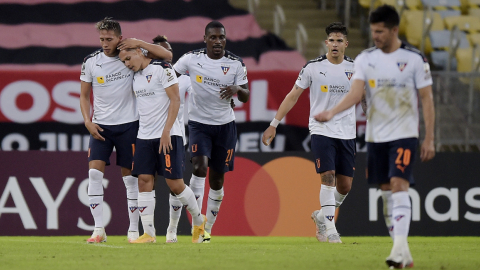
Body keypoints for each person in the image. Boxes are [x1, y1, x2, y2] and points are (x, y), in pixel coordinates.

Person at [315, 5, 435, 268]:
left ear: (394, 30)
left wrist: (429, 138)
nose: (376, 36)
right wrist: (332, 112)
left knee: (398, 184)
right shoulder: (366, 59)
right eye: (373, 31)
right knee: (385, 192)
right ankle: (402, 253)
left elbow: (426, 98)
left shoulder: (415, 59)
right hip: (376, 137)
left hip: (404, 134)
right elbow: (356, 94)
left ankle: (399, 250)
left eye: (380, 32)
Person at [262, 22, 358, 244]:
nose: (335, 44)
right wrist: (274, 123)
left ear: (346, 43)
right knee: (328, 178)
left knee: (345, 186)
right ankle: (331, 229)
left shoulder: (355, 69)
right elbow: (293, 95)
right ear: (326, 43)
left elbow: (363, 98)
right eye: (331, 40)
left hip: (346, 132)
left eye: (339, 40)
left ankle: (321, 216)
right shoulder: (313, 67)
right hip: (321, 130)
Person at [79, 17, 172, 243]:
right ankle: (98, 229)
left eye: (109, 39)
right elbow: (83, 95)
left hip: (129, 125)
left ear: (120, 38)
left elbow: (167, 56)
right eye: (102, 39)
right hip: (100, 126)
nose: (105, 43)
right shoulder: (91, 61)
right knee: (93, 173)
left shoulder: (130, 55)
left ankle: (132, 230)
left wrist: (138, 42)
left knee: (130, 180)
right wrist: (86, 120)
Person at [118, 47, 208, 244]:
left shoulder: (163, 69)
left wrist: (166, 131)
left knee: (175, 185)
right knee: (143, 180)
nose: (126, 64)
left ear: (140, 52)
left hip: (169, 135)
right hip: (144, 136)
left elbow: (175, 100)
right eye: (123, 61)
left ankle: (199, 222)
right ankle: (149, 234)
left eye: (127, 58)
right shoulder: (134, 76)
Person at [173, 21, 249, 242]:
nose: (218, 41)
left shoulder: (235, 63)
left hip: (225, 126)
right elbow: (170, 76)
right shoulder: (191, 58)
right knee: (199, 167)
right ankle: (197, 225)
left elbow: (246, 95)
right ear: (204, 38)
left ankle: (208, 229)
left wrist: (237, 89)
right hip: (198, 123)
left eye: (222, 37)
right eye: (213, 37)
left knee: (217, 180)